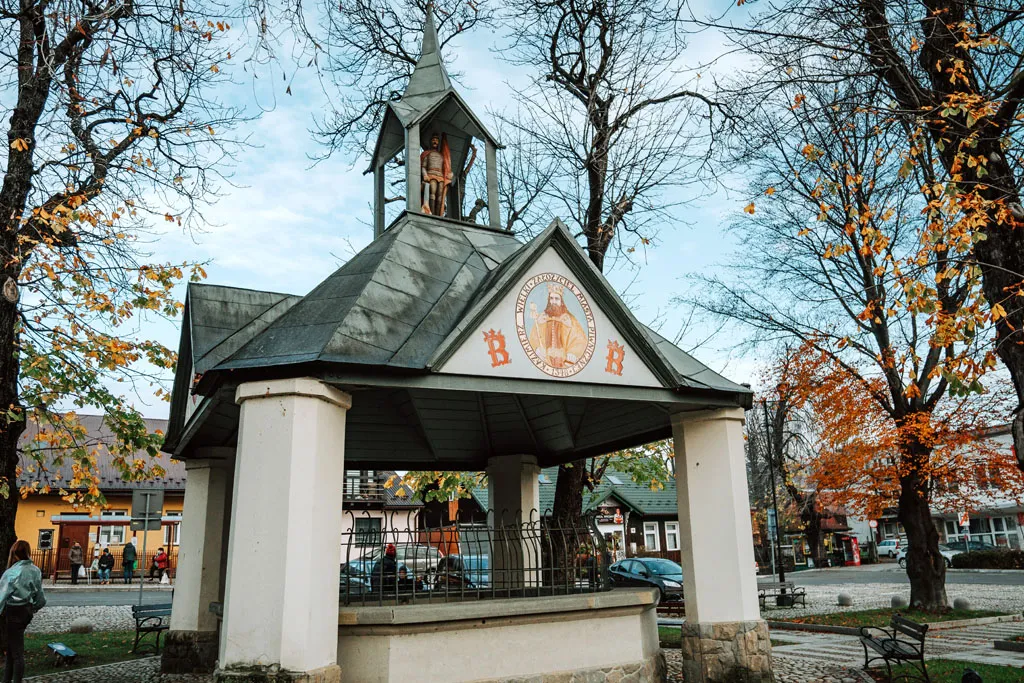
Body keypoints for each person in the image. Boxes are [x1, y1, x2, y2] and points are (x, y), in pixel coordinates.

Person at [0, 540, 46, 683]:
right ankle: (6, 679)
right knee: (12, 649)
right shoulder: (35, 570)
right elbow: (41, 598)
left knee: (17, 653)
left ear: (14, 553)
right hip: (25, 611)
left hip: (13, 611)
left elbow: (1, 596)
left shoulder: (12, 573)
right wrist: (32, 608)